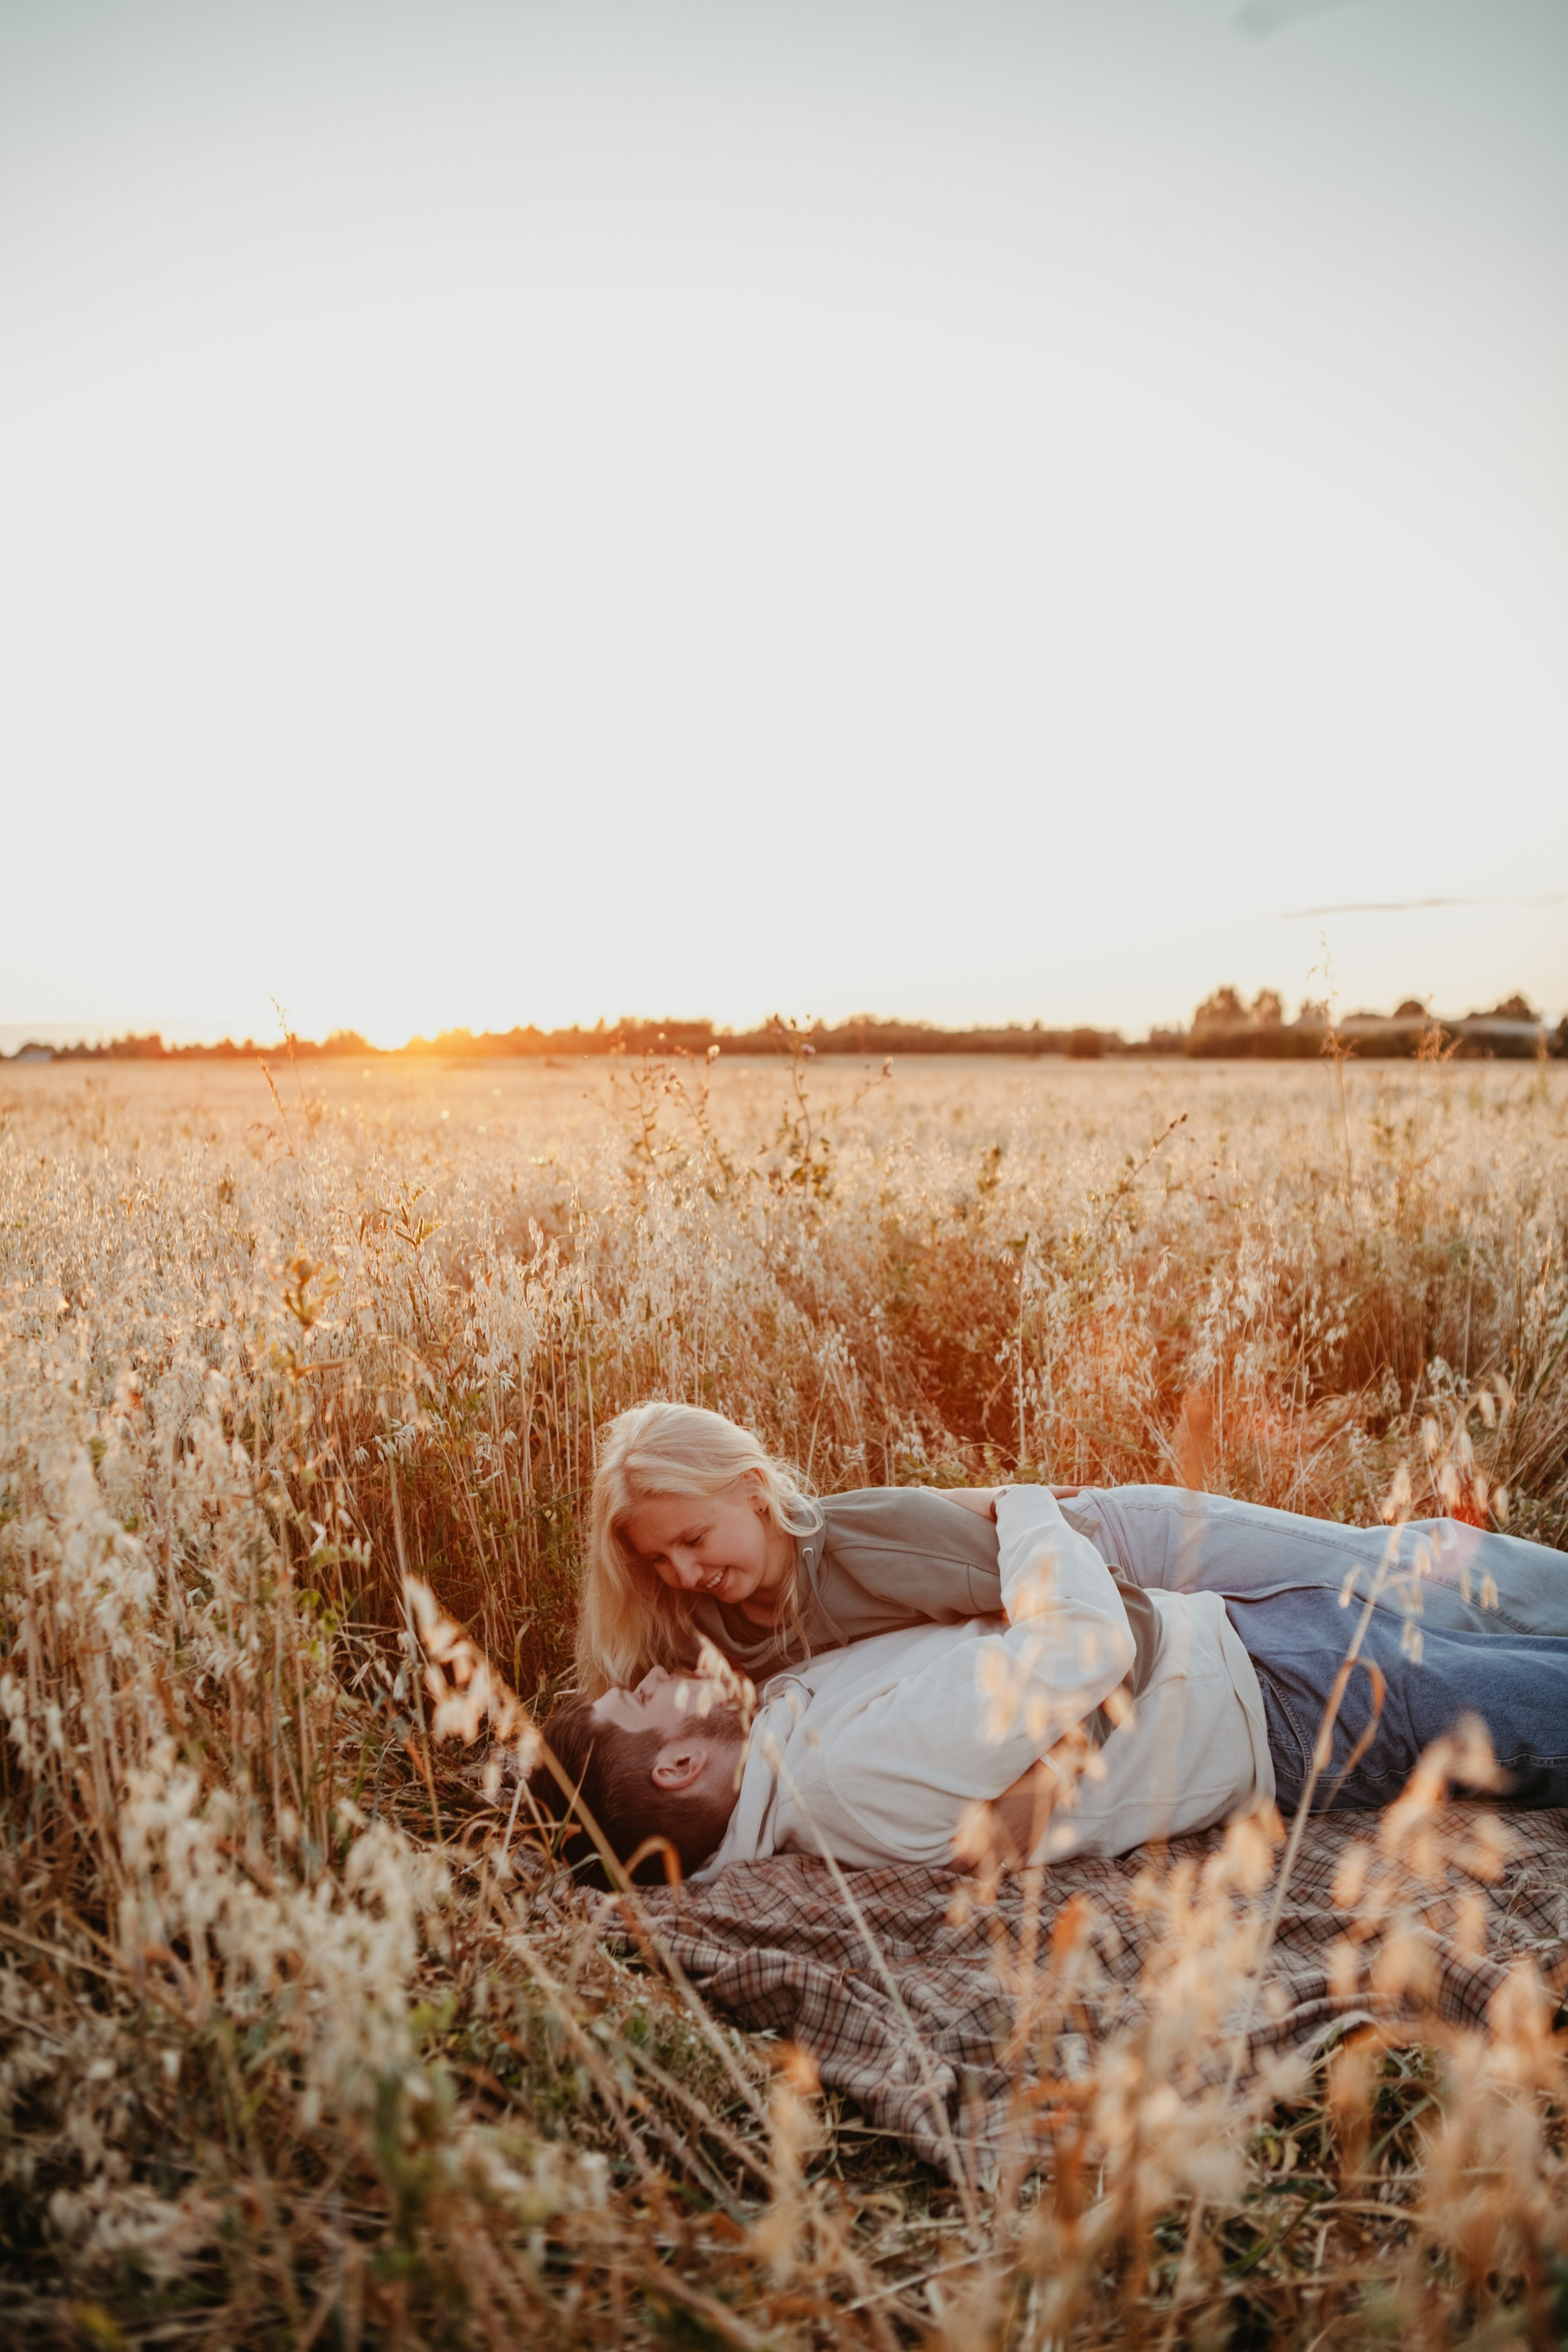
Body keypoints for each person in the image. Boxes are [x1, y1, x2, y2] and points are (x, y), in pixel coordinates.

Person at [541, 1483, 1568, 1883]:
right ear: (678, 1763)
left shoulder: (791, 1732)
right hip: (1284, 1700)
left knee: (1461, 1579)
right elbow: (1084, 1647)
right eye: (641, 1699)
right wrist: (1031, 1509)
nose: (662, 1675)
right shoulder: (849, 1775)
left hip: (1241, 1648)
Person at [578, 1401, 1566, 1703]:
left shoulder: (863, 1545)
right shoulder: (705, 1628)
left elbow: (1077, 1609)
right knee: (1373, 1625)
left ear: (754, 1492)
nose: (682, 1576)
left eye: (694, 1542)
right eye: (657, 1562)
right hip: (1068, 1572)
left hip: (1116, 1550)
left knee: (1380, 1569)